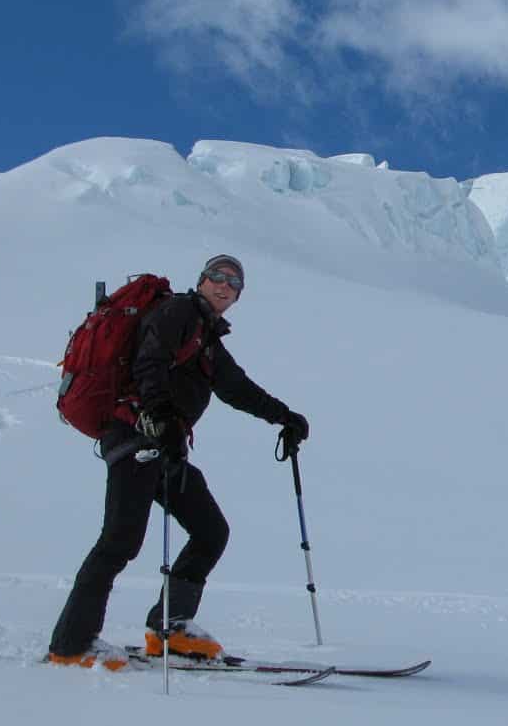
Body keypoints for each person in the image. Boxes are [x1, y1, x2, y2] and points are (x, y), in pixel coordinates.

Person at [46, 254, 310, 669]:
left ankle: (171, 628)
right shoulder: (178, 312)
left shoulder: (206, 338)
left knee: (210, 531)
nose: (224, 285)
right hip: (136, 437)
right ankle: (70, 644)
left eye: (234, 283)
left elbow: (237, 388)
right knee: (119, 541)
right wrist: (159, 416)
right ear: (202, 280)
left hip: (164, 448)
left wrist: (284, 416)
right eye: (217, 276)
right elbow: (148, 360)